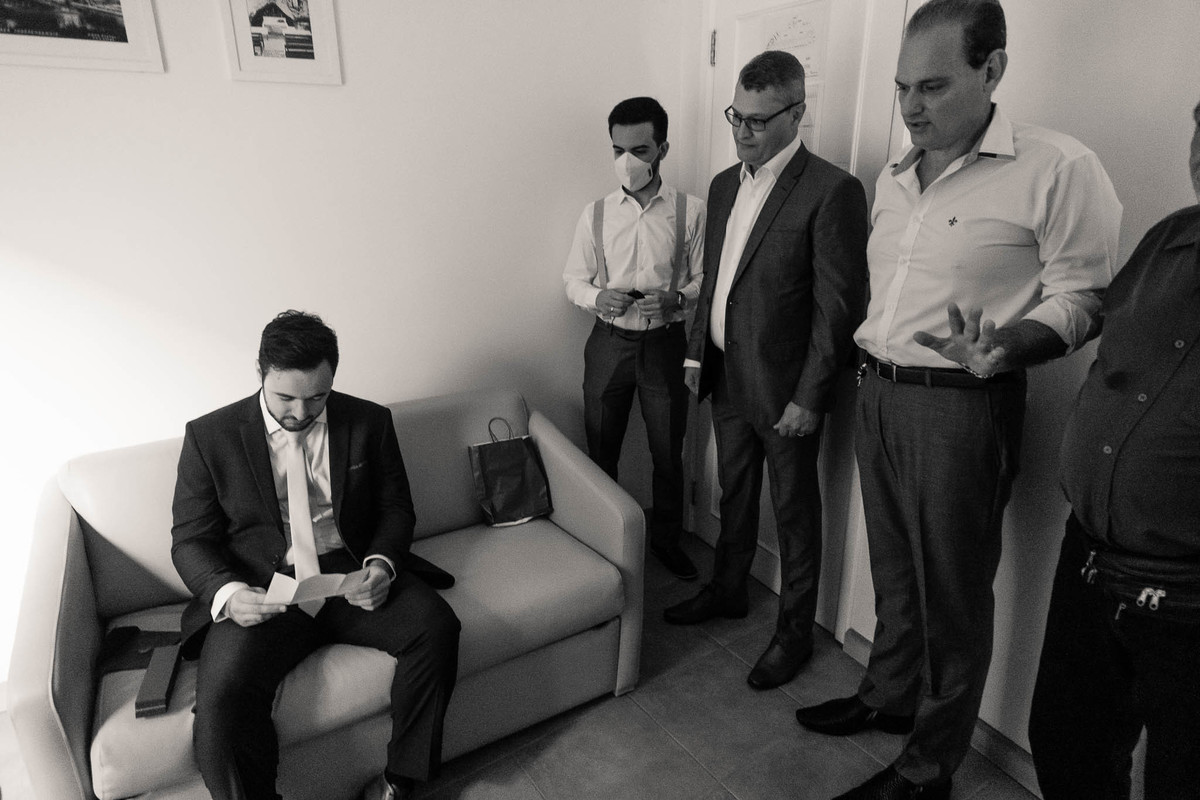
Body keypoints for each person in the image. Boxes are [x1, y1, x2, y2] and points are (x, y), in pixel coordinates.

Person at [793, 1, 1123, 798]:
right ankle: (888, 694)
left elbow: (1087, 297)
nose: (911, 107)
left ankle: (928, 766)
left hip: (961, 405)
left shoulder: (1056, 167)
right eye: (903, 87)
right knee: (893, 571)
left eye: (933, 87)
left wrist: (1009, 344)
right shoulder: (894, 174)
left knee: (953, 595)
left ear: (992, 69)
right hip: (878, 390)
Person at [171, 311, 461, 800]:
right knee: (223, 699)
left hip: (349, 574)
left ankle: (399, 782)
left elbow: (395, 508)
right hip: (264, 588)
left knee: (437, 628)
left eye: (317, 397)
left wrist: (381, 564)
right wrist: (229, 593)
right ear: (260, 372)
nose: (301, 412)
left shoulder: (369, 421)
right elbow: (189, 539)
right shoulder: (210, 437)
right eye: (285, 397)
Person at [662, 50, 869, 692]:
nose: (743, 131)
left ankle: (794, 633)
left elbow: (839, 309)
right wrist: (696, 353)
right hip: (725, 375)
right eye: (736, 116)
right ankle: (728, 588)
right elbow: (714, 281)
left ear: (796, 113)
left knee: (794, 510)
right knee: (734, 491)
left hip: (785, 392)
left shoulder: (831, 190)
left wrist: (810, 396)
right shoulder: (725, 184)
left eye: (757, 120)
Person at [1028, 98, 1200, 800]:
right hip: (1093, 556)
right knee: (1066, 742)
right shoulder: (1171, 236)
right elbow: (1103, 325)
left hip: (1186, 594)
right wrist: (1009, 341)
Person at [563, 96, 707, 580]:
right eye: (617, 150)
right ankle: (603, 543)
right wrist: (595, 297)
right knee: (601, 448)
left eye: (639, 150)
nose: (627, 161)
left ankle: (666, 541)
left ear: (662, 149)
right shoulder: (596, 213)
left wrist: (678, 301)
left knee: (668, 453)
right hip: (608, 344)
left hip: (665, 346)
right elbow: (572, 279)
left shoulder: (691, 211)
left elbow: (705, 280)